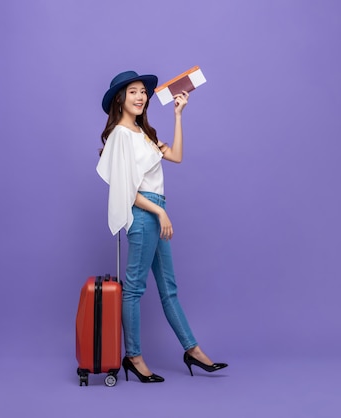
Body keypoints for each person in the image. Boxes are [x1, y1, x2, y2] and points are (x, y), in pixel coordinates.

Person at [96, 70, 227, 383]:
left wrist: (178, 116)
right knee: (135, 289)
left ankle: (192, 350)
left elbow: (178, 156)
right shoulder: (120, 137)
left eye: (143, 92)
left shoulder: (144, 134)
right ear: (120, 99)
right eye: (133, 92)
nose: (141, 97)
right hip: (144, 214)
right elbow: (126, 190)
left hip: (156, 211)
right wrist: (160, 213)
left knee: (169, 289)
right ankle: (134, 356)